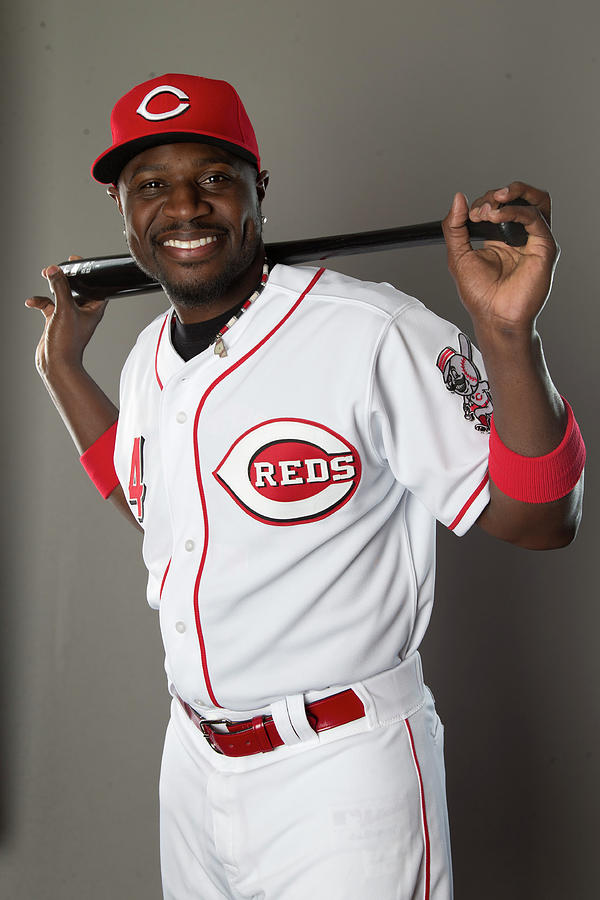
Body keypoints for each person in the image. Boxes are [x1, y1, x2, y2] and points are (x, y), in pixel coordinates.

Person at [26, 74, 585, 900]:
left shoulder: (370, 332)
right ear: (122, 207)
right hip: (192, 768)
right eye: (151, 186)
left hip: (342, 776)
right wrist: (62, 366)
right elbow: (154, 510)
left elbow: (541, 519)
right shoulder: (147, 356)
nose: (183, 207)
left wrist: (507, 336)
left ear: (260, 187)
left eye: (213, 177)